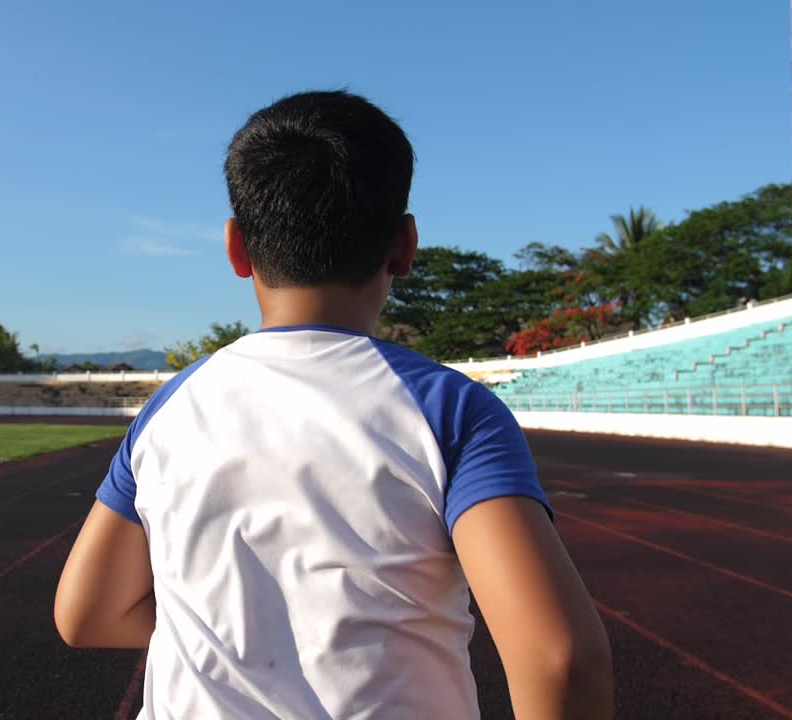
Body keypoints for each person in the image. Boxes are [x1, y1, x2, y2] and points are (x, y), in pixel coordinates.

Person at [55, 90, 612, 719]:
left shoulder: (170, 408)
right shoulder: (451, 411)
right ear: (404, 246)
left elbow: (86, 613)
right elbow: (559, 658)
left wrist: (252, 633)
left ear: (238, 249)